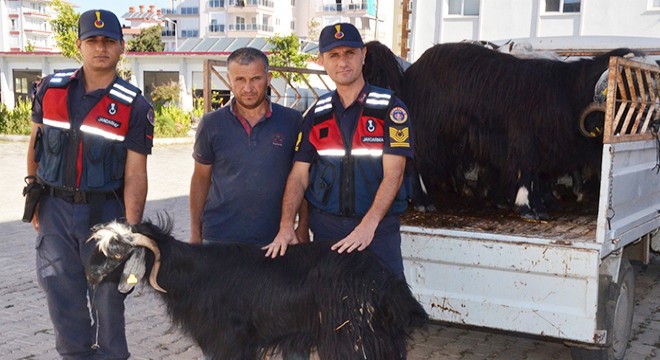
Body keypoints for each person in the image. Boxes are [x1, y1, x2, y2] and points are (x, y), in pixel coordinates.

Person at [26, 9, 154, 359]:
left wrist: (132, 230)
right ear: (79, 44)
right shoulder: (50, 90)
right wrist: (33, 194)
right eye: (93, 41)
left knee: (109, 299)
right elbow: (35, 145)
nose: (101, 48)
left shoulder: (135, 106)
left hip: (105, 215)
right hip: (54, 211)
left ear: (121, 47)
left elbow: (135, 174)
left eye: (109, 41)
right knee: (60, 294)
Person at [263, 22, 414, 280]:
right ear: (322, 61)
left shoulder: (390, 108)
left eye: (350, 53)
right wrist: (287, 224)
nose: (342, 62)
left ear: (363, 56)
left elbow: (394, 174)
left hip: (377, 232)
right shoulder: (316, 114)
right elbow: (299, 175)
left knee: (388, 311)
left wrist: (368, 226)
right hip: (327, 232)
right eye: (334, 55)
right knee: (332, 311)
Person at [189, 47, 307, 246]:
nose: (248, 88)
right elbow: (200, 178)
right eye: (240, 80)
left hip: (276, 240)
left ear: (268, 78)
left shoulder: (292, 121)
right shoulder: (211, 124)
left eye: (256, 79)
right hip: (219, 239)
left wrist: (302, 228)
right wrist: (195, 233)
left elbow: (302, 178)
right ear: (229, 80)